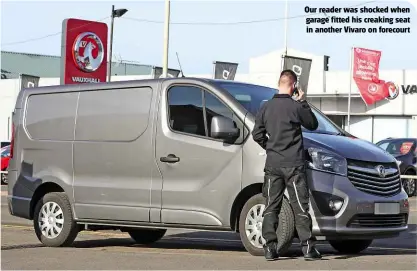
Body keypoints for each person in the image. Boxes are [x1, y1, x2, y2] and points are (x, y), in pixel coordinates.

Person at [251, 69, 321, 261]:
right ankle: (308, 249)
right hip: (294, 165)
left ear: (279, 83)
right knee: (300, 207)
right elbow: (313, 124)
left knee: (271, 206)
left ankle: (270, 248)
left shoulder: (266, 107)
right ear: (293, 86)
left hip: (273, 164)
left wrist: (270, 147)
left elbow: (256, 134)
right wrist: (303, 101)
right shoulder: (295, 106)